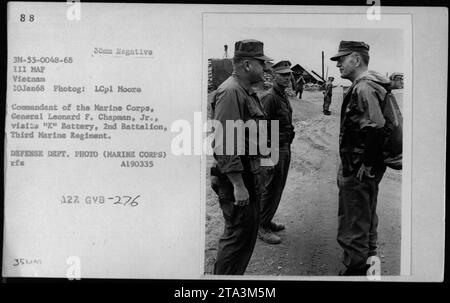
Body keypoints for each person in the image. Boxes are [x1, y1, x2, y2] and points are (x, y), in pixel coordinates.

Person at [210, 39, 272, 275]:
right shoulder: (231, 92)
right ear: (247, 64)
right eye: (261, 63)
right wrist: (238, 185)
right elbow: (225, 141)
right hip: (237, 177)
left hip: (248, 173)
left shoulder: (245, 92)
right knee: (237, 238)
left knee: (245, 236)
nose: (264, 68)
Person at [330, 40, 391, 276]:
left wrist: (366, 162)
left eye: (341, 60)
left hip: (357, 167)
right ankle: (367, 257)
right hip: (362, 165)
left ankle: (355, 269)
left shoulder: (364, 87)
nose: (338, 66)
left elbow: (376, 126)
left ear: (355, 59)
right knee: (366, 212)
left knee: (353, 219)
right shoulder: (368, 85)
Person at [258, 60, 295, 244]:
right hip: (273, 149)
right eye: (283, 74)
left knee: (277, 188)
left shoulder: (282, 95)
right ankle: (261, 226)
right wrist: (266, 157)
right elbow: (262, 128)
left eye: (288, 74)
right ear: (273, 76)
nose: (287, 77)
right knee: (270, 189)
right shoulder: (270, 97)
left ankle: (267, 219)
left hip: (284, 147)